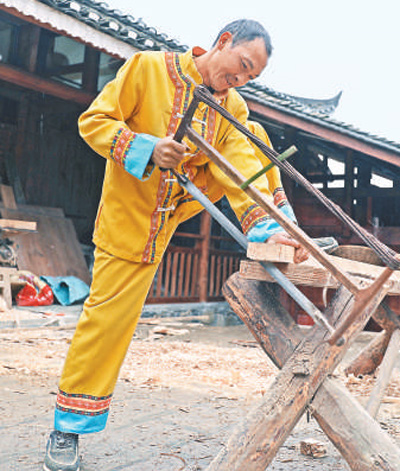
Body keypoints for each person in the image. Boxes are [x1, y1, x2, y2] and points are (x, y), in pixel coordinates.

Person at [43, 19, 308, 471]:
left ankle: (272, 227)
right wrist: (146, 147)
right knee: (106, 326)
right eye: (240, 66)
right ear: (223, 42)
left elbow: (242, 159)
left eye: (250, 77)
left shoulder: (234, 106)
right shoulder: (147, 69)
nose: (239, 80)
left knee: (252, 135)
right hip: (128, 219)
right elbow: (94, 122)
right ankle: (65, 431)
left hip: (176, 207)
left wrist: (274, 223)